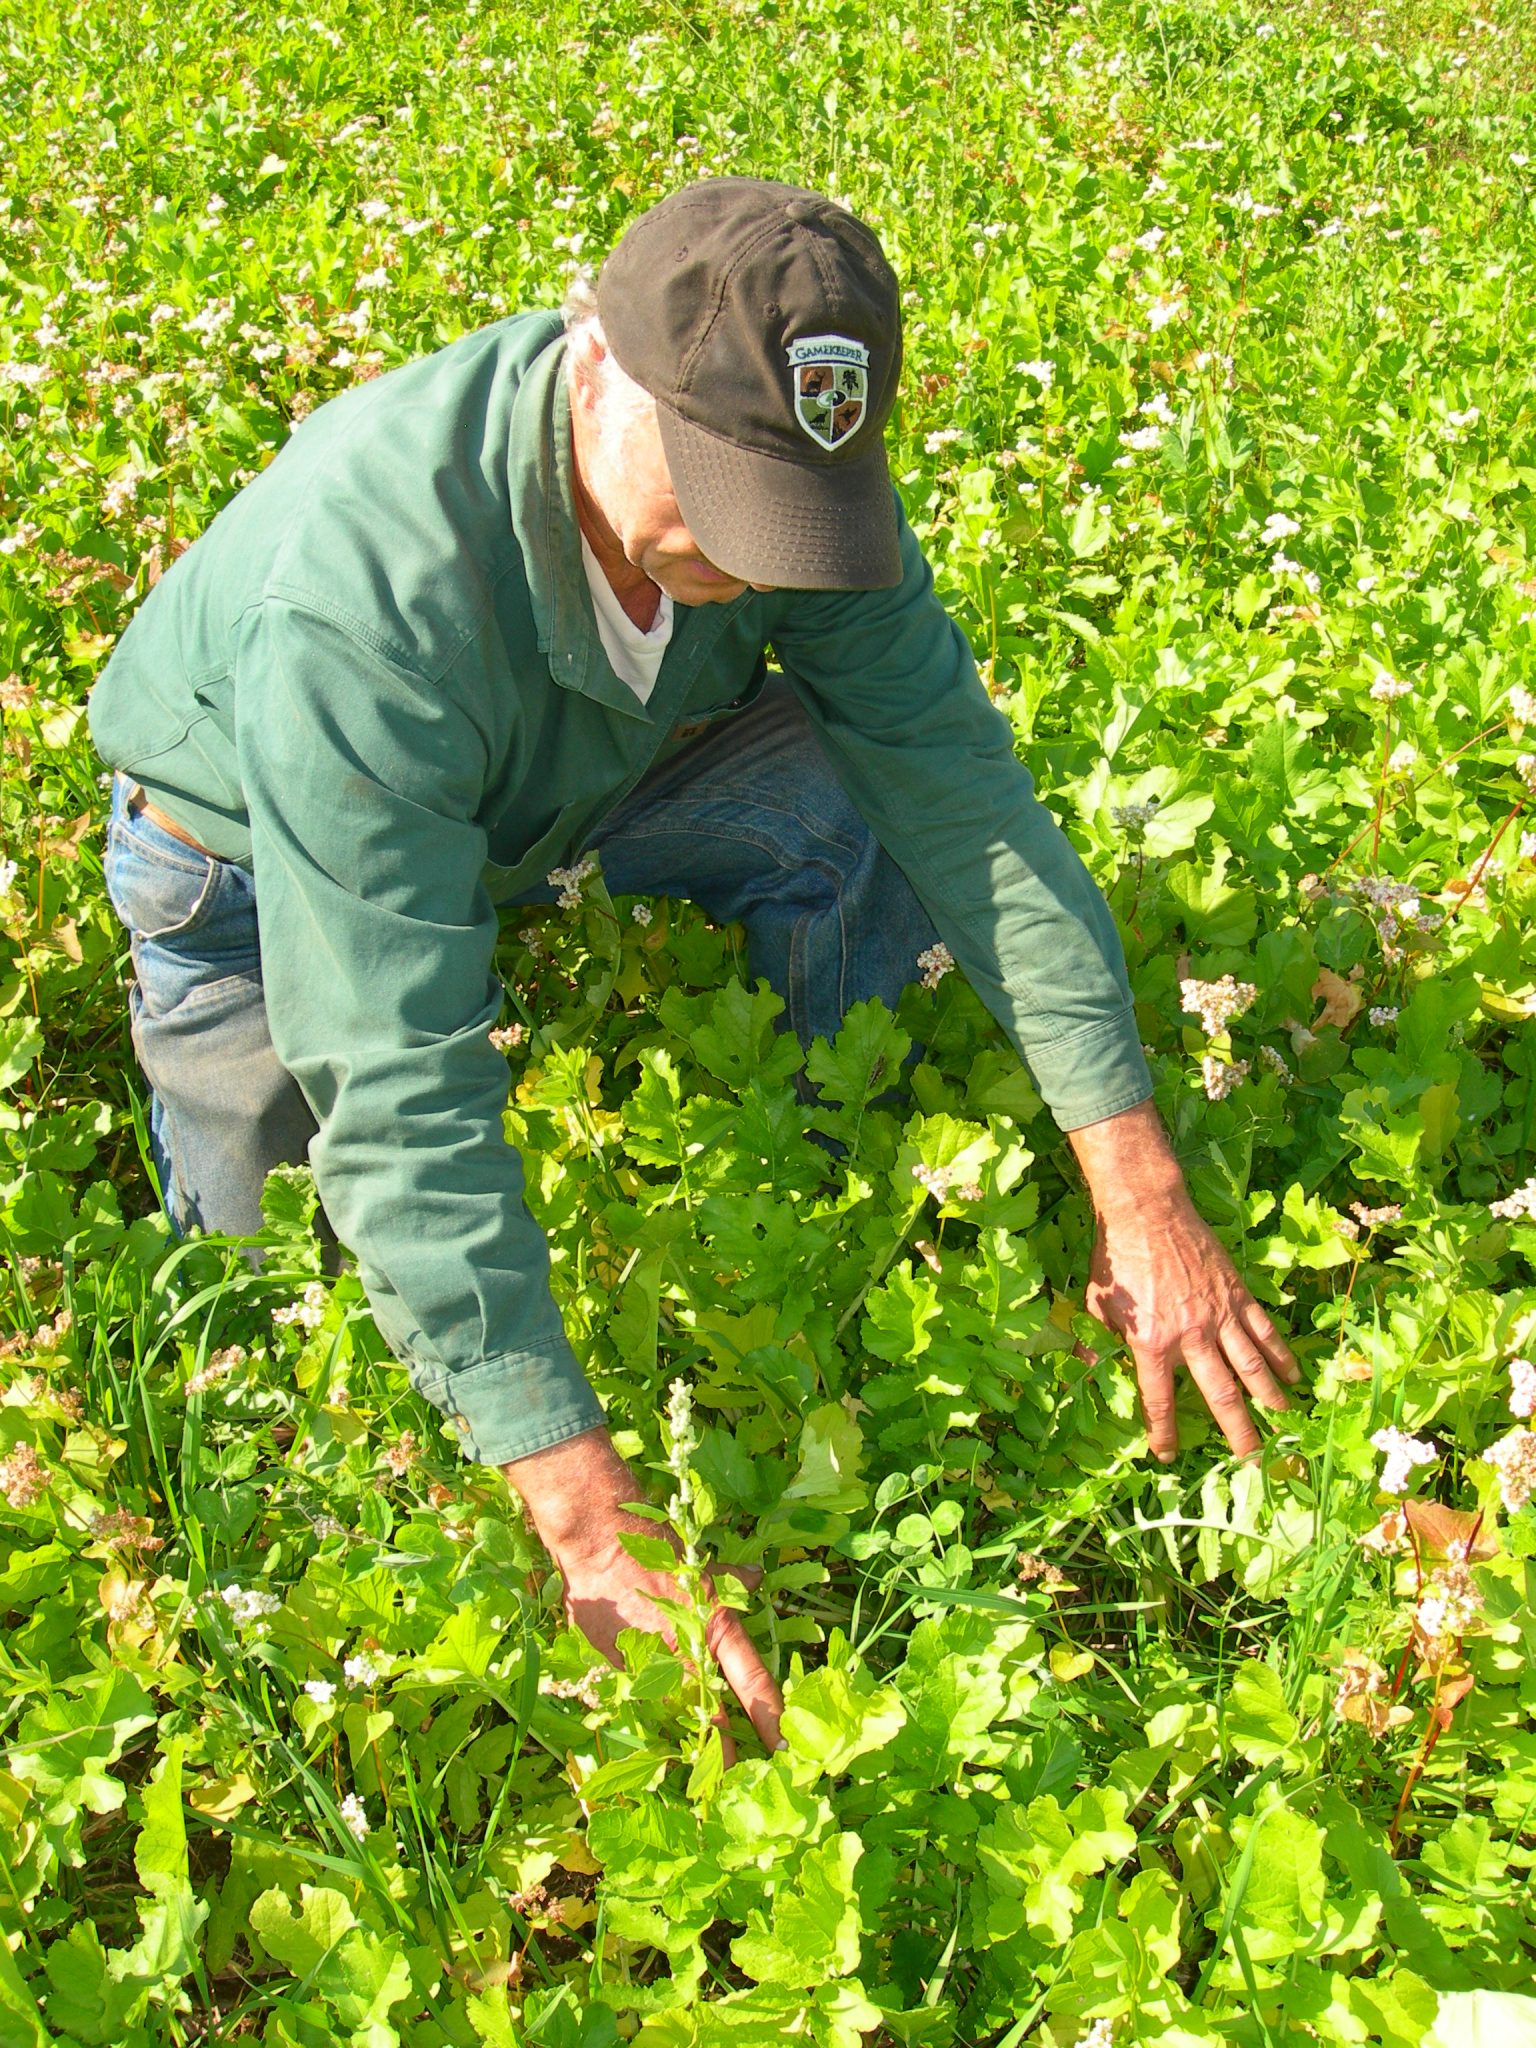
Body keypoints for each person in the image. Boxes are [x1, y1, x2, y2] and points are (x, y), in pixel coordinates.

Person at [89, 177, 1299, 1759]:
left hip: (591, 765)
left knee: (835, 794)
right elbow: (399, 1075)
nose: (748, 557)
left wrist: (1137, 1181)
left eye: (790, 507)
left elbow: (963, 792)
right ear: (594, 359)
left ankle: (812, 1181)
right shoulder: (360, 599)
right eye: (717, 493)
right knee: (259, 1330)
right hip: (248, 867)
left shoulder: (790, 489)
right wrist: (593, 1522)